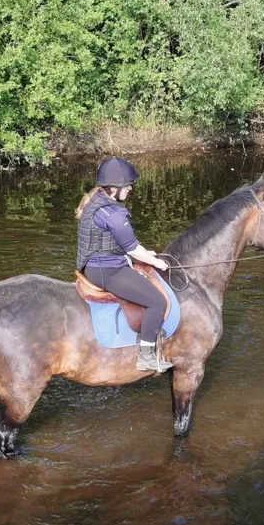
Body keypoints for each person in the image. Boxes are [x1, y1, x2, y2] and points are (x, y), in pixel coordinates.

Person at [76, 157, 174, 373]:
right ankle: (146, 357)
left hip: (94, 265)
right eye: (126, 185)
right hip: (107, 270)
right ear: (113, 188)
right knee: (157, 302)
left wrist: (144, 253)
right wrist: (156, 261)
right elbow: (131, 248)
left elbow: (116, 244)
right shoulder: (114, 214)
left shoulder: (96, 203)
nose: (130, 188)